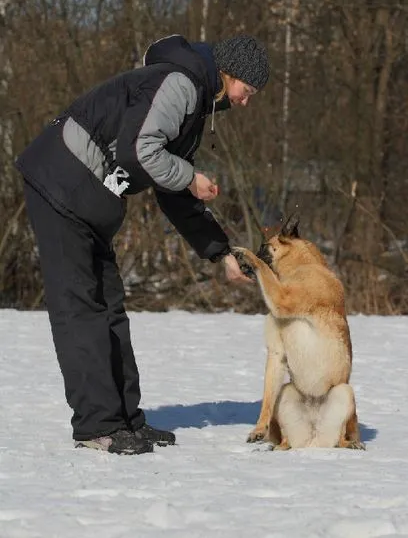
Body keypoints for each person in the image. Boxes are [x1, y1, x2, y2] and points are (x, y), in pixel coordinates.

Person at [15, 34, 270, 455]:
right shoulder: (181, 84)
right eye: (249, 90)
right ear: (230, 73)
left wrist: (221, 252)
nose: (246, 101)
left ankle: (126, 420)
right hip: (59, 181)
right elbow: (139, 154)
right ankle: (98, 426)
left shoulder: (195, 99)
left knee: (109, 304)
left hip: (89, 193)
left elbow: (169, 190)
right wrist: (189, 175)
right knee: (80, 308)